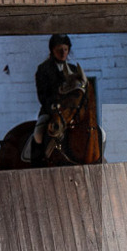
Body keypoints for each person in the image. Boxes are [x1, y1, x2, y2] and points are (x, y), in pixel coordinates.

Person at [32, 34, 74, 162]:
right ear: (52, 50)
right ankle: (38, 161)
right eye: (59, 50)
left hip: (71, 113)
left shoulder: (73, 70)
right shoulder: (43, 69)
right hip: (50, 112)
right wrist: (53, 106)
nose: (63, 53)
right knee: (38, 134)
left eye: (65, 49)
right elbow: (42, 95)